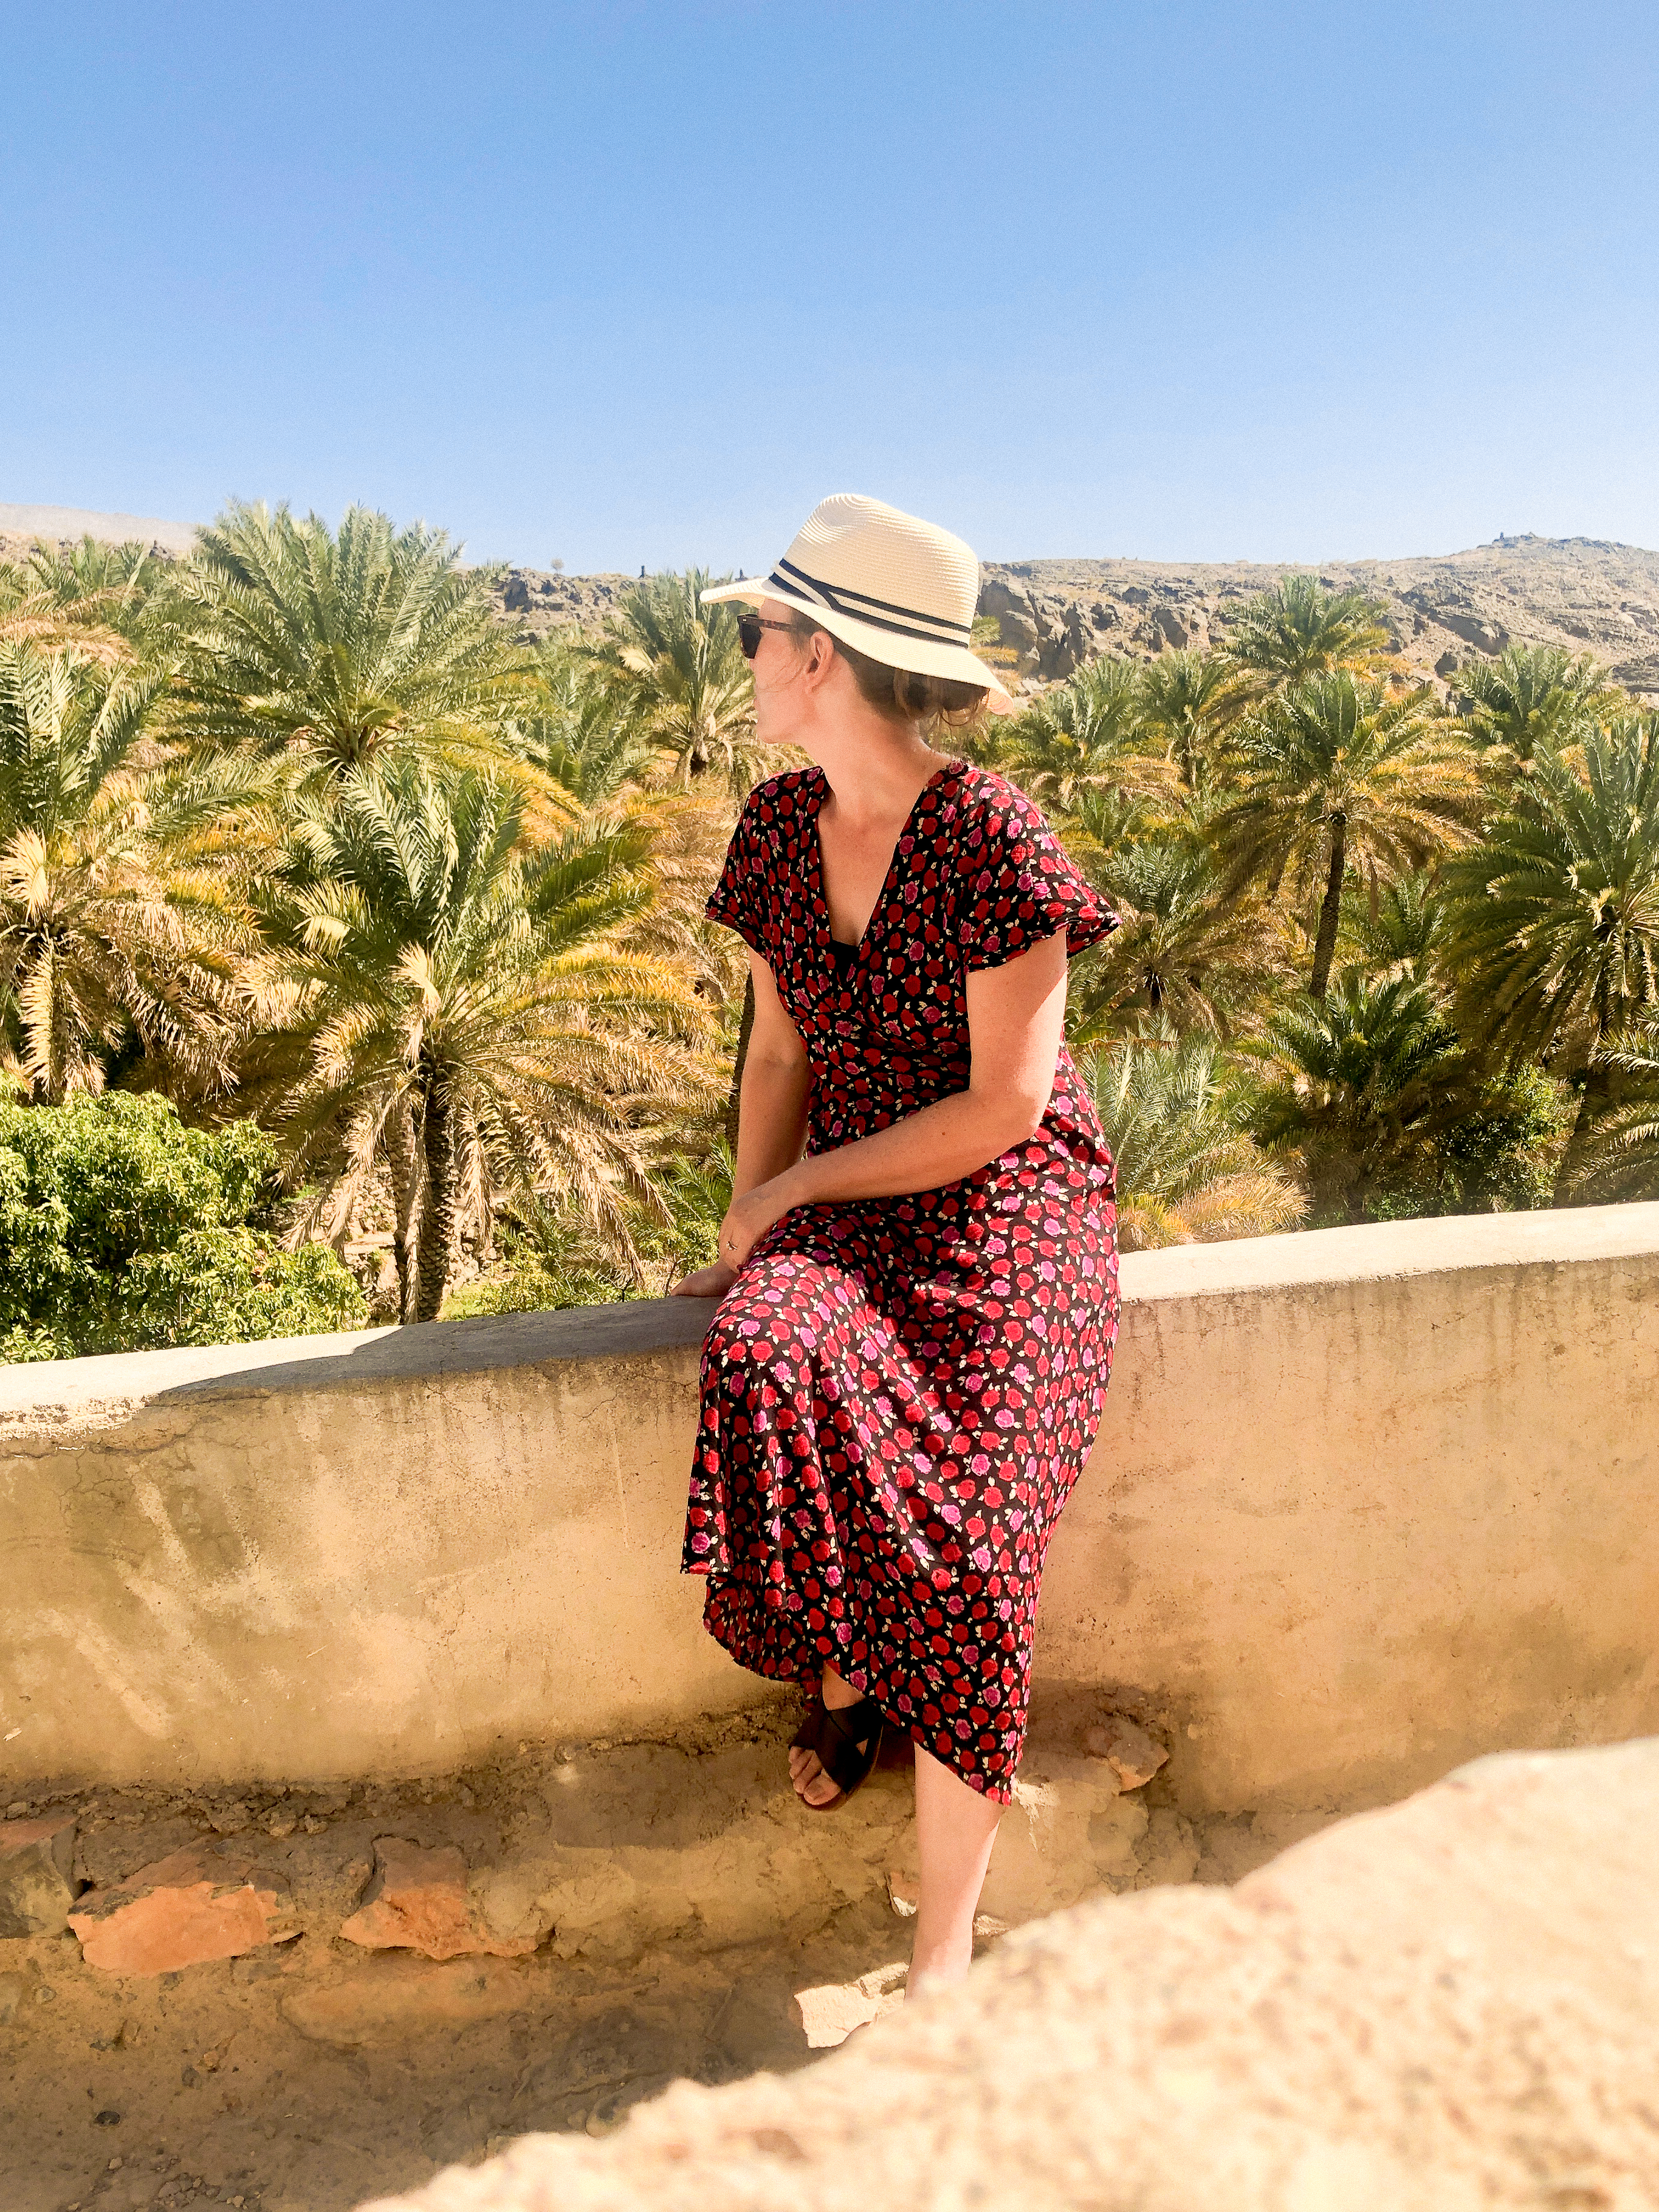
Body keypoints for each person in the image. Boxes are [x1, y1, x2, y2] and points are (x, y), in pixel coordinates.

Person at [671, 493, 1120, 1997]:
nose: (745, 655)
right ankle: (854, 1664)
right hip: (854, 1194)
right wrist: (752, 1216)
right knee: (766, 1348)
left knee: (980, 1542)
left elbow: (1005, 1103)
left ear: (820, 656)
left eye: (759, 632)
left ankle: (941, 1952)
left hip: (1009, 1211)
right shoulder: (773, 830)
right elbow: (778, 1060)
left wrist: (794, 1200)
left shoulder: (994, 833)